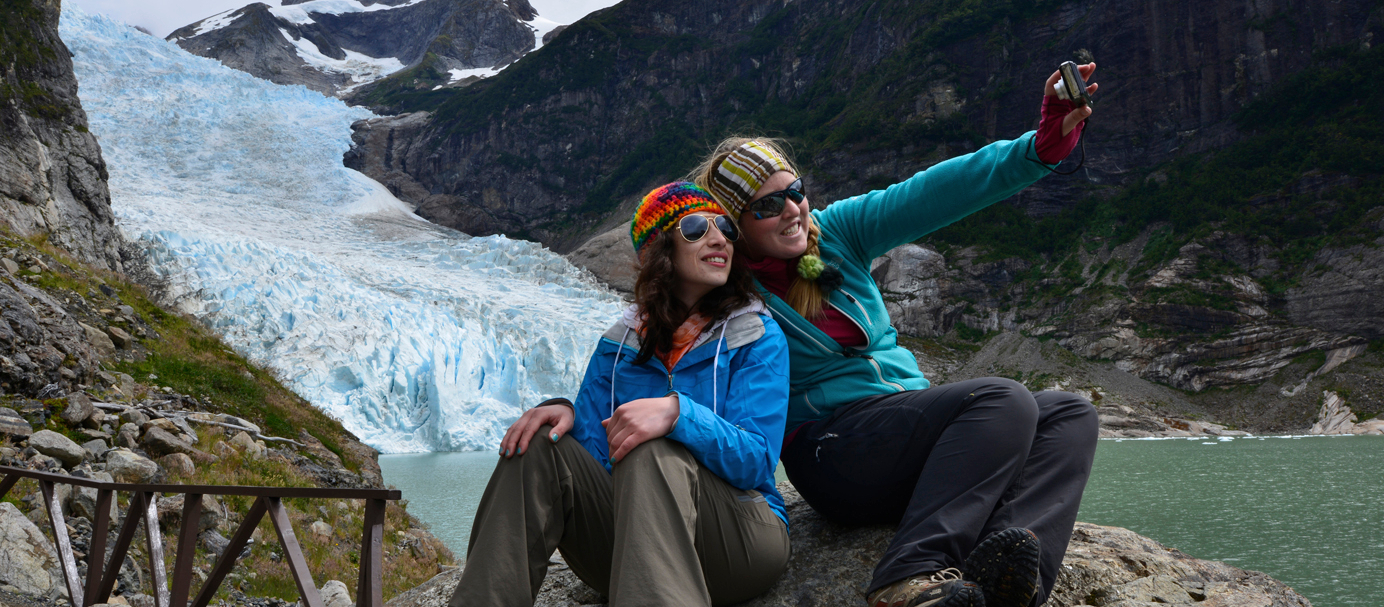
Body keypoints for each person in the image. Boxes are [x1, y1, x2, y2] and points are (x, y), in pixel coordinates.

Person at [690, 64, 1103, 607]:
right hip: (832, 453)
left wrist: (1041, 147)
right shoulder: (725, 287)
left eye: (795, 191)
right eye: (768, 205)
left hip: (907, 434)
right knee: (1002, 400)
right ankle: (906, 577)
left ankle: (1009, 587)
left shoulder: (837, 233)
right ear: (735, 222)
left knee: (1071, 412)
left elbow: (937, 190)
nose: (792, 210)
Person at [449, 181, 792, 607]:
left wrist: (679, 415)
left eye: (724, 227)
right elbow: (591, 460)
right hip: (633, 544)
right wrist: (563, 413)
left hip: (739, 540)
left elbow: (757, 460)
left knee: (651, 449)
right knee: (539, 441)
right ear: (658, 249)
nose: (720, 237)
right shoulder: (621, 343)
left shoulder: (756, 334)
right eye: (697, 228)